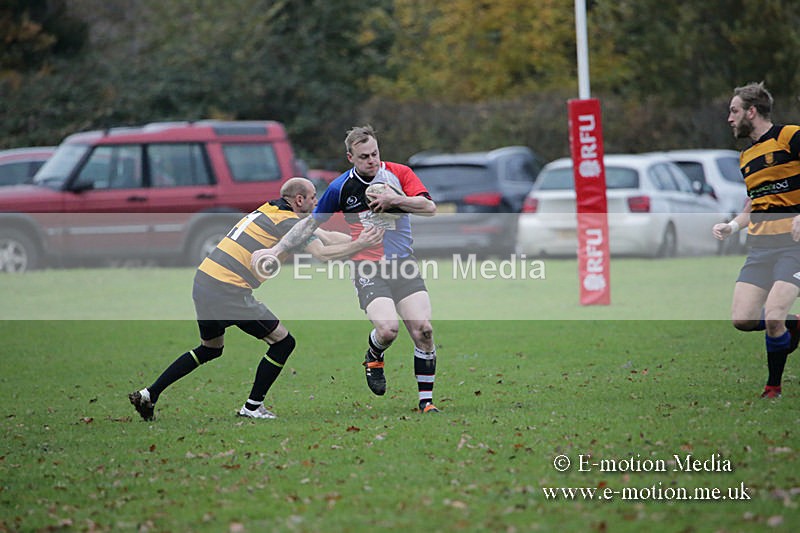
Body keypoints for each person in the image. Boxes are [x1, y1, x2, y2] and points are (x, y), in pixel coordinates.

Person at [129, 177, 384, 420]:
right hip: (227, 288)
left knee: (210, 349)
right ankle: (253, 407)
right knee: (283, 342)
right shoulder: (287, 222)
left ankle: (148, 394)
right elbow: (323, 254)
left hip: (205, 280)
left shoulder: (270, 209)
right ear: (298, 200)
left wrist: (365, 242)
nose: (317, 204)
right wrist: (359, 246)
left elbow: (326, 236)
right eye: (313, 198)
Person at [251, 125, 441, 413]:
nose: (372, 160)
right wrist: (276, 250)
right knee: (388, 330)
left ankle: (426, 402)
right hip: (368, 268)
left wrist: (395, 200)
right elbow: (309, 224)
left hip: (403, 266)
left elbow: (429, 207)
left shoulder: (398, 174)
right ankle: (374, 353)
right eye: (364, 156)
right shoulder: (340, 188)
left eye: (375, 153)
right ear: (350, 157)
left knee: (424, 331)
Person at [713, 82, 800, 399]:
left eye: (734, 110)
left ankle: (773, 387)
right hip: (761, 248)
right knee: (743, 319)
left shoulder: (790, 136)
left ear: (752, 111)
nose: (729, 118)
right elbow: (756, 201)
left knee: (773, 315)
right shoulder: (746, 156)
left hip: (795, 247)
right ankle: (794, 325)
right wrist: (733, 226)